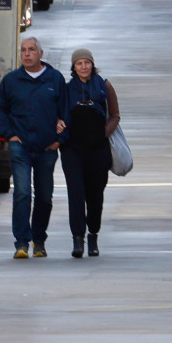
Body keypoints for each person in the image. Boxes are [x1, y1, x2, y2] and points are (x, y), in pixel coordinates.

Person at [0, 37, 67, 259]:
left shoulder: (55, 79)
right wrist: (10, 134)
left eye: (31, 50)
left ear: (41, 53)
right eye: (23, 50)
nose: (27, 54)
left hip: (47, 148)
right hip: (20, 147)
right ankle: (21, 243)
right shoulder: (11, 80)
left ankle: (39, 241)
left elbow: (67, 111)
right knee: (23, 193)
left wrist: (59, 139)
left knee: (44, 196)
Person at [57, 48, 120, 258]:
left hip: (98, 149)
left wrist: (104, 133)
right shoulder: (67, 90)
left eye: (87, 62)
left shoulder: (104, 86)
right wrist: (58, 124)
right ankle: (78, 239)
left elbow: (115, 115)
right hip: (73, 148)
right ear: (73, 67)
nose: (84, 67)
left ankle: (93, 235)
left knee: (95, 194)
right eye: (79, 63)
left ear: (92, 64)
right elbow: (58, 114)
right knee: (76, 193)